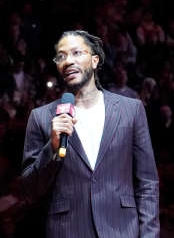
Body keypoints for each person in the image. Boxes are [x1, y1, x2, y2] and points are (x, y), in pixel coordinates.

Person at [21, 30, 159, 238]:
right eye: (61, 56)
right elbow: (30, 191)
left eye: (76, 53)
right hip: (67, 231)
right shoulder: (40, 118)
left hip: (122, 230)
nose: (68, 61)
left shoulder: (131, 110)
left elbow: (147, 184)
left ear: (95, 61)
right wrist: (52, 146)